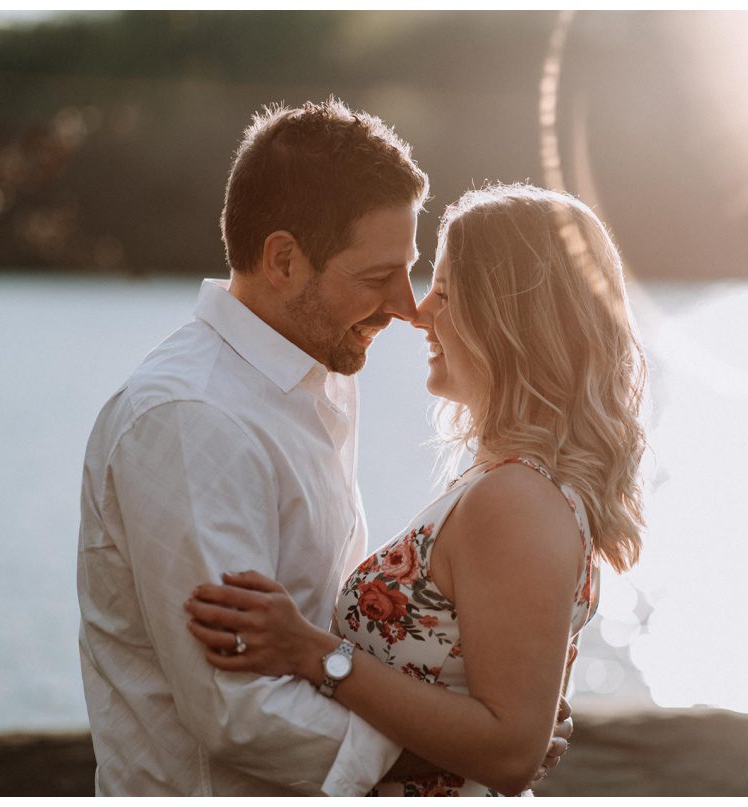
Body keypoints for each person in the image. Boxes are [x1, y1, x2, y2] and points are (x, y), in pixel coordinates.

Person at [77, 100, 569, 796]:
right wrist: (470, 744)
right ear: (283, 259)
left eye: (409, 270)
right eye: (376, 278)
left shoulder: (317, 377)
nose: (406, 305)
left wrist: (488, 716)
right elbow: (239, 709)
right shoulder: (193, 419)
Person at [185, 183, 649, 796]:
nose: (419, 312)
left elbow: (510, 750)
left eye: (448, 293)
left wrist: (314, 654)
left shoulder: (516, 500)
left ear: (507, 320)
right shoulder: (507, 485)